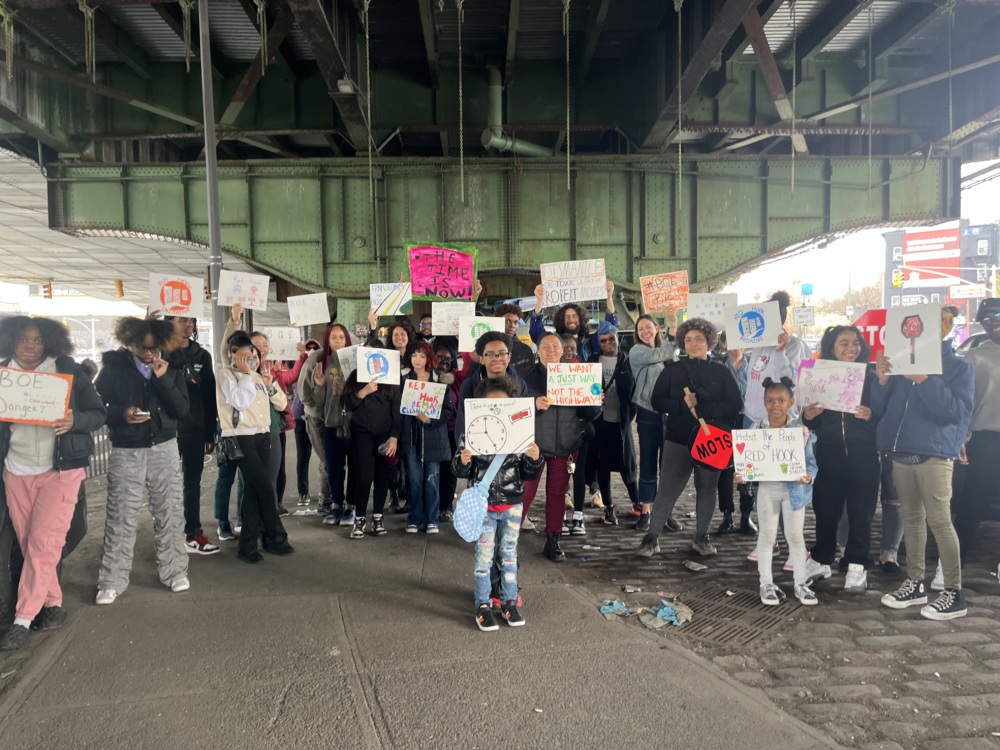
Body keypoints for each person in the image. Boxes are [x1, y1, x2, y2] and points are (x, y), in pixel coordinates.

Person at [0, 317, 107, 651]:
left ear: (50, 343)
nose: (30, 346)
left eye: (37, 340)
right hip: (15, 471)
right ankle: (53, 606)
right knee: (30, 541)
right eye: (22, 339)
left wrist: (76, 421)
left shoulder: (69, 372)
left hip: (60, 471)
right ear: (10, 341)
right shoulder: (4, 374)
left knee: (43, 543)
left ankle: (22, 618)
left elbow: (99, 413)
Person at [874, 307, 974, 621]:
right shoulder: (902, 362)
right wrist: (882, 381)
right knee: (913, 520)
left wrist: (925, 381)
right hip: (901, 452)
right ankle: (915, 583)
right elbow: (883, 409)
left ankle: (954, 592)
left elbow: (956, 412)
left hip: (934, 454)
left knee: (940, 522)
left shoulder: (959, 367)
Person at [94, 317, 190, 604]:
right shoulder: (112, 368)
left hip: (165, 445)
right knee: (121, 514)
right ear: (128, 343)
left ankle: (175, 572)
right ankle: (112, 580)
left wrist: (162, 378)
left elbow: (182, 409)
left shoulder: (172, 366)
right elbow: (97, 407)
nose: (148, 354)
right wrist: (121, 414)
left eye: (154, 347)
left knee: (171, 511)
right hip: (126, 448)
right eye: (141, 347)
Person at [634, 318, 742, 558]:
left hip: (711, 440)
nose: (693, 344)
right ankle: (651, 538)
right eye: (689, 339)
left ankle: (701, 537)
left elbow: (735, 404)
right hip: (678, 438)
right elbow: (657, 401)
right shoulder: (673, 369)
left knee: (707, 488)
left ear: (709, 342)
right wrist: (682, 405)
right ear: (682, 342)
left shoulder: (721, 371)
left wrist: (705, 409)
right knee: (667, 490)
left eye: (699, 339)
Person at [454, 376, 543, 631]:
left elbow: (528, 473)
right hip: (484, 505)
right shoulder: (472, 432)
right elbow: (458, 471)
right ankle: (482, 605)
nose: (497, 411)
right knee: (483, 558)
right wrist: (464, 460)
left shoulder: (521, 433)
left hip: (512, 504)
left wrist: (534, 459)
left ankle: (509, 602)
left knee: (509, 556)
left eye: (503, 405)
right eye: (490, 405)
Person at [802, 326, 880, 593]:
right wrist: (809, 415)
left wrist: (870, 416)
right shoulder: (820, 376)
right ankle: (822, 559)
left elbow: (884, 413)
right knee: (825, 509)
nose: (851, 348)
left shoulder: (871, 377)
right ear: (831, 348)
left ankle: (857, 564)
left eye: (855, 343)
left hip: (864, 454)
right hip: (829, 452)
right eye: (844, 343)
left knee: (861, 511)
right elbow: (810, 418)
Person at [738, 377, 819, 607]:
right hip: (768, 489)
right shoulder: (756, 429)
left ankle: (800, 583)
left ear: (790, 402)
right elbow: (747, 462)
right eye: (770, 400)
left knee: (795, 536)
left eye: (781, 400)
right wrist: (743, 473)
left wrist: (809, 475)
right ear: (764, 402)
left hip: (795, 491)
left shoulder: (800, 432)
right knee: (766, 536)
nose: (775, 405)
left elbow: (811, 463)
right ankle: (766, 582)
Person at [521, 333, 600, 560]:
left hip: (566, 445)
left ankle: (553, 539)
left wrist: (595, 400)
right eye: (545, 345)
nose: (551, 349)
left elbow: (589, 414)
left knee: (557, 494)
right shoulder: (526, 377)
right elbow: (515, 407)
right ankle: (508, 533)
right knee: (526, 491)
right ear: (538, 350)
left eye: (555, 345)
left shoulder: (577, 376)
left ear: (563, 349)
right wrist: (533, 403)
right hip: (533, 445)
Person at [216, 333, 293, 563]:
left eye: (251, 356)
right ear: (231, 355)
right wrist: (247, 376)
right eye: (242, 356)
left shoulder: (259, 377)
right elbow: (239, 401)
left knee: (252, 492)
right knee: (265, 488)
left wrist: (268, 384)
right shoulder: (226, 375)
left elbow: (281, 404)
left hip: (263, 436)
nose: (249, 361)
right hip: (241, 437)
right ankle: (275, 537)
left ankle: (248, 546)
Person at [164, 315, 219, 555]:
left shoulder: (202, 356)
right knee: (164, 484)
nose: (189, 325)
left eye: (192, 321)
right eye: (182, 320)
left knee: (191, 483)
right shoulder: (159, 353)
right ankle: (167, 534)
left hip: (195, 429)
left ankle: (192, 532)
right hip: (164, 431)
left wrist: (210, 433)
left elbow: (209, 397)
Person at [952, 298, 1000, 557]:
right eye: (986, 320)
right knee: (974, 502)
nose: (992, 323)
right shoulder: (975, 357)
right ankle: (949, 565)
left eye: (997, 316)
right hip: (986, 440)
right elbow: (963, 402)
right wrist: (962, 437)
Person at [342, 345, 402, 539]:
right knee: (364, 477)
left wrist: (394, 437)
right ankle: (359, 519)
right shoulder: (355, 375)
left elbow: (397, 409)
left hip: (385, 436)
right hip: (361, 435)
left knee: (383, 477)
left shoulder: (392, 377)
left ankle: (378, 517)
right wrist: (363, 392)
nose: (375, 362)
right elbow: (345, 403)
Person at [628, 313, 680, 533]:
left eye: (649, 327)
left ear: (657, 328)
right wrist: (675, 325)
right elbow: (664, 352)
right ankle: (646, 511)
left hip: (669, 416)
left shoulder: (667, 354)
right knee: (648, 462)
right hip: (647, 412)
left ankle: (665, 511)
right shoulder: (637, 351)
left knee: (667, 467)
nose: (645, 331)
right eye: (641, 329)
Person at [299, 323, 355, 526]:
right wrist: (321, 386)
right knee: (334, 466)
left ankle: (351, 506)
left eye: (341, 337)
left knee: (355, 467)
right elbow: (319, 402)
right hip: (331, 423)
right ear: (327, 341)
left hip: (355, 423)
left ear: (347, 339)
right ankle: (336, 505)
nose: (338, 341)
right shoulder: (322, 362)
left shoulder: (354, 361)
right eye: (334, 338)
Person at [586, 321, 639, 526]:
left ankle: (637, 502)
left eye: (611, 338)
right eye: (603, 340)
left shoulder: (627, 362)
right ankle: (608, 507)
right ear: (598, 343)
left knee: (628, 466)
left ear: (618, 339)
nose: (608, 343)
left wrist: (629, 415)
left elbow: (634, 392)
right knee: (602, 466)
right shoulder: (591, 362)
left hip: (621, 423)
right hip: (599, 423)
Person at [400, 341, 455, 534]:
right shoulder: (404, 379)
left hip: (434, 437)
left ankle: (432, 519)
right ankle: (414, 519)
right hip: (411, 437)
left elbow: (448, 410)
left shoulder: (439, 381)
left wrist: (431, 420)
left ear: (428, 358)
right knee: (414, 479)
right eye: (414, 355)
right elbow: (398, 409)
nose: (417, 359)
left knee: (432, 478)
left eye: (422, 355)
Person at [743, 291, 813, 427]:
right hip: (752, 419)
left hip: (780, 422)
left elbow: (793, 384)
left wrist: (780, 352)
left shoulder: (796, 345)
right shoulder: (758, 344)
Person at [715, 336, 755, 535]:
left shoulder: (755, 365)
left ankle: (746, 514)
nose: (734, 344)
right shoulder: (718, 366)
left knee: (749, 468)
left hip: (748, 421)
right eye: (730, 340)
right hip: (724, 422)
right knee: (724, 470)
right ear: (723, 344)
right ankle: (727, 514)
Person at [530, 280, 618, 361]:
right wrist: (539, 301)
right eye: (567, 317)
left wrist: (609, 297)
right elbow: (536, 333)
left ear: (581, 319)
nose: (571, 319)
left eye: (574, 316)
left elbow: (610, 327)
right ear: (561, 320)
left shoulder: (590, 342)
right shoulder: (554, 342)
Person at [292, 339, 321, 505]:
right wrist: (301, 355)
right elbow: (293, 372)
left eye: (314, 348)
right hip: (300, 417)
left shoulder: (322, 364)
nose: (311, 351)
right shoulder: (301, 365)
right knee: (303, 456)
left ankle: (327, 491)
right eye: (308, 348)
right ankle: (303, 492)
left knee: (325, 457)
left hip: (318, 417)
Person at [435, 343, 461, 522]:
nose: (443, 362)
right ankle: (431, 504)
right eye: (439, 358)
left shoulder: (456, 381)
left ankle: (446, 505)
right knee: (432, 470)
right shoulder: (427, 378)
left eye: (447, 359)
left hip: (451, 431)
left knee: (449, 471)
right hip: (432, 432)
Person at [496, 303, 535, 376]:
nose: (512, 326)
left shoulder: (525, 350)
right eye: (507, 321)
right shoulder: (487, 348)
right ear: (497, 321)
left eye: (516, 322)